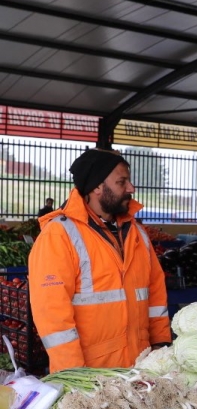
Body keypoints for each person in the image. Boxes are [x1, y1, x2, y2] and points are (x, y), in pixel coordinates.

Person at [28, 149, 171, 373]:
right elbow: (53, 315)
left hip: (141, 369)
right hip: (92, 376)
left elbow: (155, 294)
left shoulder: (137, 234)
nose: (131, 188)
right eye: (122, 182)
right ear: (96, 187)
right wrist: (73, 375)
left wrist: (161, 345)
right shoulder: (59, 235)